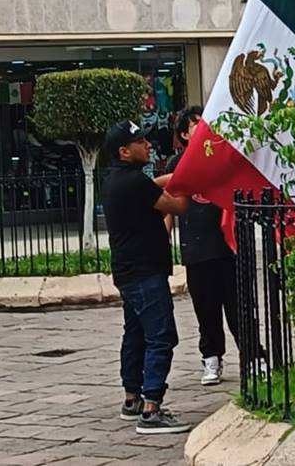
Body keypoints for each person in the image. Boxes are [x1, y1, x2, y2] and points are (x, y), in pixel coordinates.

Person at [103, 120, 192, 435]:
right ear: (124, 152)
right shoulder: (134, 184)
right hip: (145, 273)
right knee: (161, 335)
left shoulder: (118, 180)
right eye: (140, 142)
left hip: (128, 272)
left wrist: (177, 176)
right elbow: (178, 206)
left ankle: (132, 398)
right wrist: (194, 183)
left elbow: (153, 186)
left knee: (136, 333)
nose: (148, 145)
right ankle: (152, 407)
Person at [168, 106, 244, 387]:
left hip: (227, 245)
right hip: (196, 249)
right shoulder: (177, 165)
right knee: (206, 309)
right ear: (184, 134)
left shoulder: (222, 157)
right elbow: (169, 202)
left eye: (204, 123)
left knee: (238, 308)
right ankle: (211, 357)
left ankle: (252, 357)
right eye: (193, 125)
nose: (200, 128)